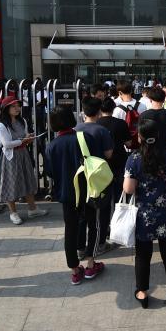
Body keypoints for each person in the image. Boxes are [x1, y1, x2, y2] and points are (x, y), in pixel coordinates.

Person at [123, 119, 166, 309]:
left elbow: (128, 189)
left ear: (140, 137)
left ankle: (142, 292)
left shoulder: (134, 158)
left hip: (144, 215)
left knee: (143, 255)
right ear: (158, 136)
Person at [45, 106, 106, 285]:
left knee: (70, 229)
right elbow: (98, 161)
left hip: (66, 193)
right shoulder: (84, 138)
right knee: (93, 225)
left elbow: (50, 172)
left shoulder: (52, 146)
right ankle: (91, 264)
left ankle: (74, 270)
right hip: (89, 190)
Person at [0, 95, 45, 225]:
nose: (17, 108)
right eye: (13, 106)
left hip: (23, 154)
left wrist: (28, 138)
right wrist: (23, 141)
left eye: (18, 105)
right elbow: (6, 144)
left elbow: (24, 137)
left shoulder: (22, 121)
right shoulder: (2, 125)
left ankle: (33, 209)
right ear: (6, 109)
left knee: (28, 180)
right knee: (10, 183)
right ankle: (13, 213)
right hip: (10, 158)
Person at [76, 97, 115, 257]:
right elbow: (109, 154)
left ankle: (80, 247)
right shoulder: (101, 131)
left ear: (83, 111)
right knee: (101, 210)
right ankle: (100, 244)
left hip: (81, 174)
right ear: (99, 112)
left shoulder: (76, 129)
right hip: (99, 176)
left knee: (82, 212)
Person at [98, 97, 132, 241]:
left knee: (104, 200)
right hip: (119, 163)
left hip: (101, 165)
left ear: (100, 109)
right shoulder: (120, 123)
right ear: (113, 109)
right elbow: (129, 143)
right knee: (120, 198)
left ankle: (104, 229)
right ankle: (118, 228)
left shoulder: (97, 124)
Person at [140, 87, 166, 153]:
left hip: (148, 151)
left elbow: (140, 139)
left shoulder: (143, 115)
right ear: (164, 100)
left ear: (150, 100)